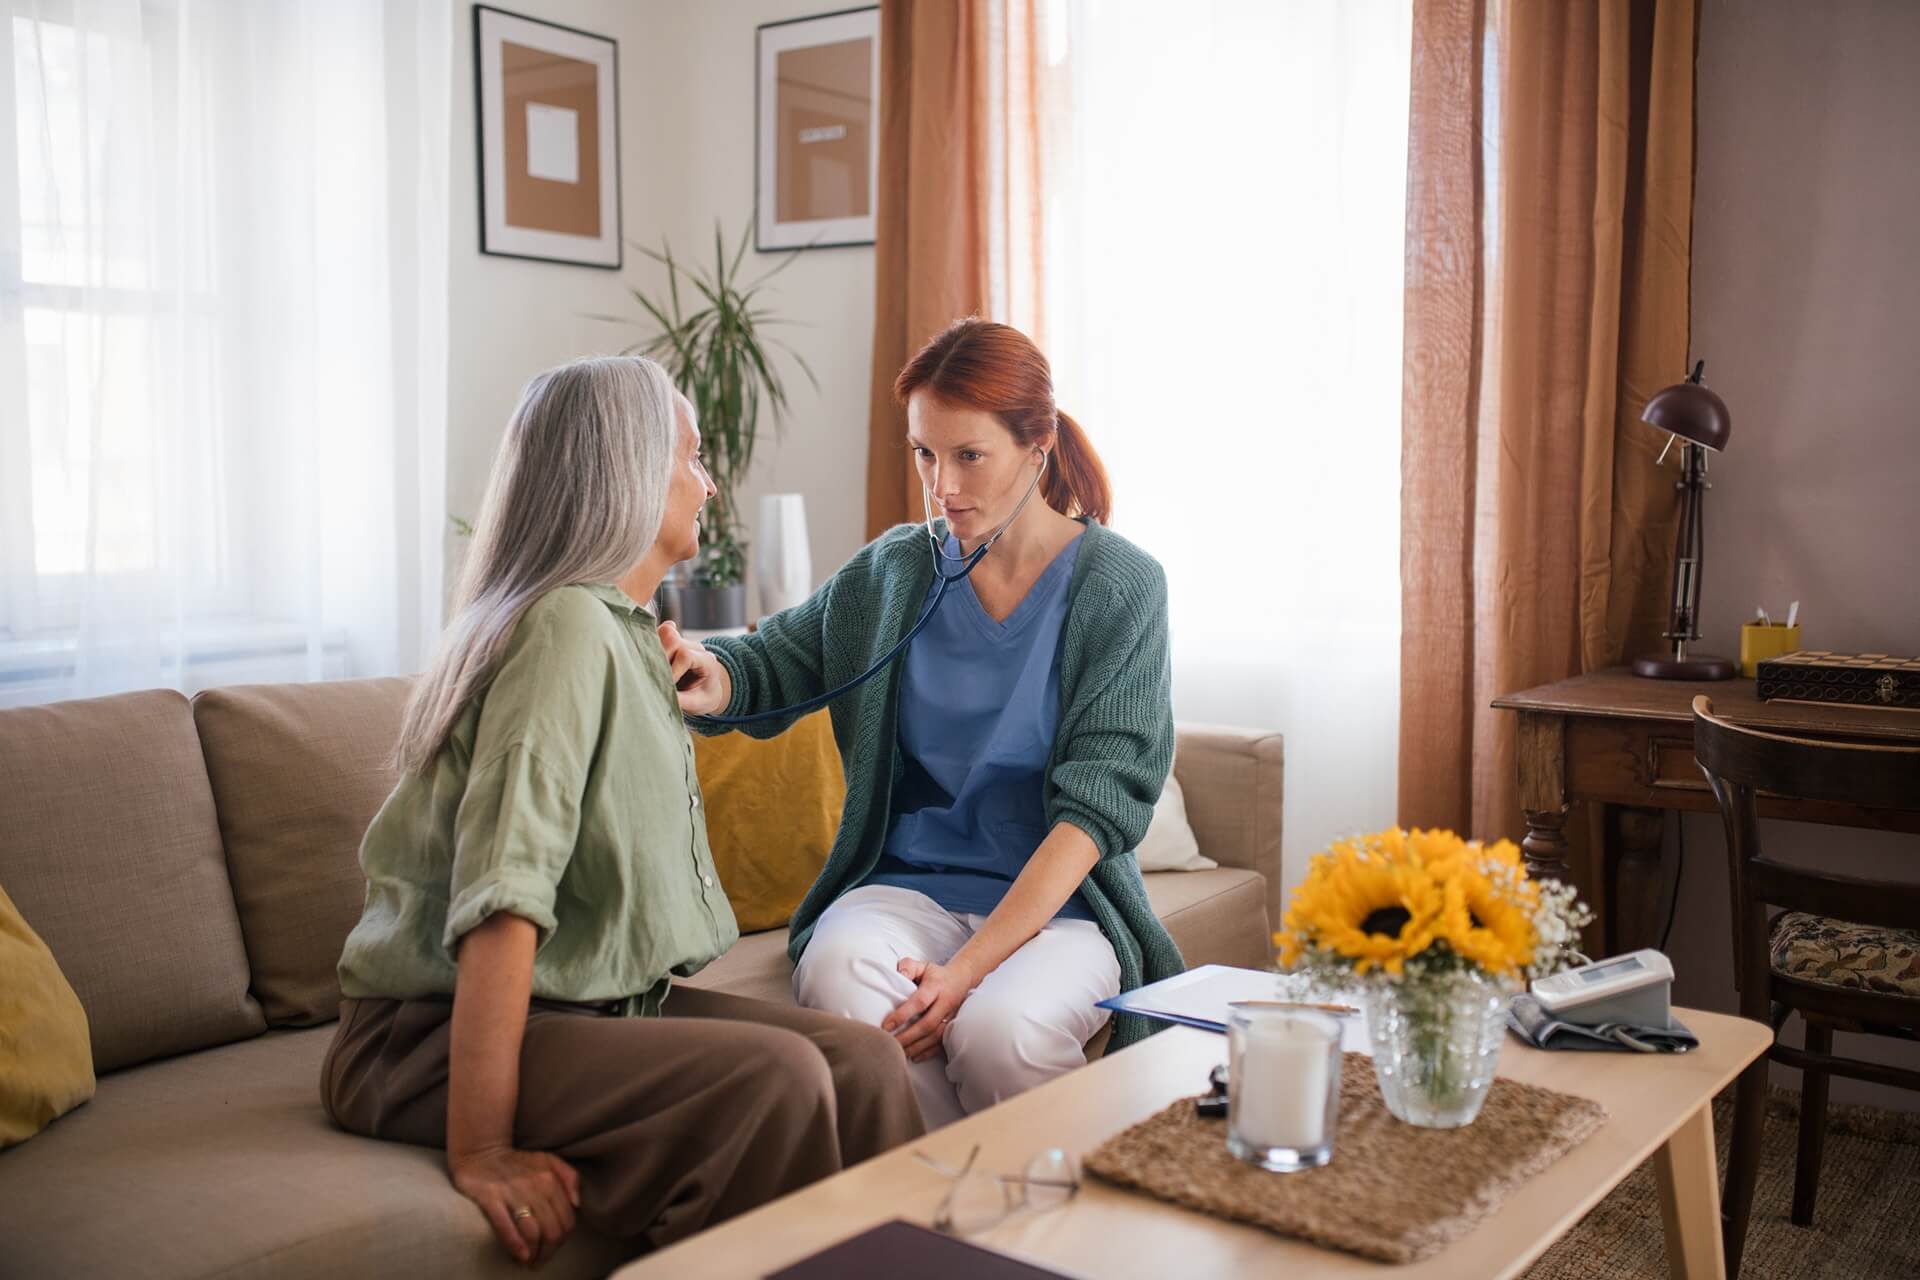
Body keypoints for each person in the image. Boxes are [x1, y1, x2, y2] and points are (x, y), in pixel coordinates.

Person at [322, 355, 923, 1268]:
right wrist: (481, 1150)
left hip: (591, 1010)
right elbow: (504, 895)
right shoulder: (563, 628)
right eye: (692, 456)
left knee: (866, 1065)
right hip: (421, 1041)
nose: (708, 483)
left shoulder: (622, 633)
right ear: (631, 470)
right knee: (779, 1081)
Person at [662, 319, 1183, 1130]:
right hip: (905, 890)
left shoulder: (1122, 586)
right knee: (838, 979)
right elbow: (780, 660)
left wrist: (965, 974)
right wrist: (710, 675)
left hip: (1062, 908)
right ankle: (953, 1197)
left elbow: (1096, 814)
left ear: (1038, 445)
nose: (942, 485)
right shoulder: (896, 570)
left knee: (1001, 1031)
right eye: (924, 454)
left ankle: (1049, 1196)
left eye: (969, 455)